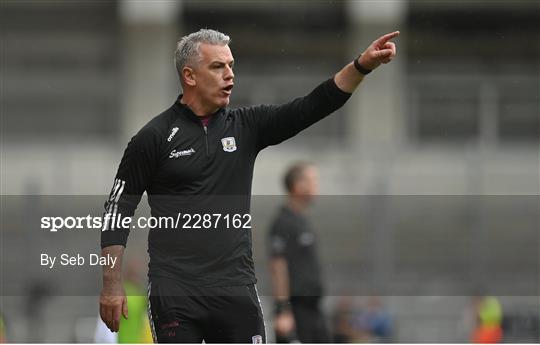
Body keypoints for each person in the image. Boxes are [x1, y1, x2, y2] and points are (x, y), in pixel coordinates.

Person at [99, 28, 399, 343]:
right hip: (175, 293)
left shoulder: (246, 127)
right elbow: (118, 209)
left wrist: (361, 66)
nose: (230, 75)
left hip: (235, 289)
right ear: (189, 76)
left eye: (231, 65)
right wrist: (111, 285)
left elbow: (314, 105)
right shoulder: (153, 138)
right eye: (218, 67)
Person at [268, 162, 329, 343]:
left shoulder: (302, 221)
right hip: (296, 311)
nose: (316, 186)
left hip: (313, 309)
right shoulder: (283, 222)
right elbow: (278, 267)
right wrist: (282, 311)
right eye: (313, 181)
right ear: (298, 185)